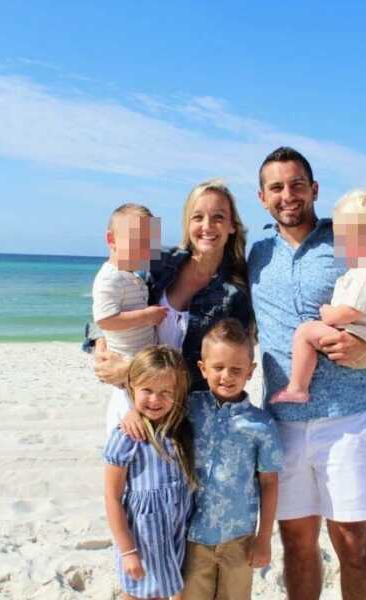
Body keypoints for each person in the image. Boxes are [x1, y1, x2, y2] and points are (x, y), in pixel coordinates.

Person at [249, 147, 366, 599]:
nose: (287, 195)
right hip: (282, 422)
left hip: (348, 417)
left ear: (314, 189)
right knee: (296, 544)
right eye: (276, 187)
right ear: (261, 197)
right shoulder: (255, 255)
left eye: (296, 185)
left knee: (353, 545)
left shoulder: (354, 236)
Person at [92, 179, 253, 392]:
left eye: (218, 217)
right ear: (188, 223)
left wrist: (134, 370)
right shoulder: (159, 262)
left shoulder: (237, 293)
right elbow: (113, 297)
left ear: (232, 225)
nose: (207, 226)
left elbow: (228, 367)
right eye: (198, 217)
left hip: (194, 406)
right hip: (143, 398)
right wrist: (98, 341)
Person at [272, 189, 366, 404]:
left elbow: (351, 311)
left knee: (305, 332)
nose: (346, 246)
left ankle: (298, 387)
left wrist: (328, 314)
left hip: (359, 345)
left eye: (354, 237)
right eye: (342, 237)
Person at [181, 318, 282, 599]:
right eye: (218, 368)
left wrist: (264, 538)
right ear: (202, 368)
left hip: (240, 537)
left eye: (236, 369)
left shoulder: (261, 424)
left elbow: (270, 484)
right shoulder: (188, 408)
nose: (227, 375)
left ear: (250, 372)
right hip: (191, 536)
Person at [103, 345, 196, 600]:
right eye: (147, 390)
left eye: (166, 392)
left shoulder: (181, 429)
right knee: (137, 594)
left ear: (178, 392)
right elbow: (112, 498)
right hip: (142, 539)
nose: (155, 400)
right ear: (131, 386)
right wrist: (127, 551)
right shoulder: (127, 437)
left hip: (176, 534)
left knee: (173, 589)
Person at [92, 203, 168, 434]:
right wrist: (146, 316)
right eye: (135, 241)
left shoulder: (132, 275)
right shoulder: (109, 278)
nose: (143, 250)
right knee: (129, 414)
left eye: (147, 243)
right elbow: (105, 320)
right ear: (111, 239)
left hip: (140, 358)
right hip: (125, 357)